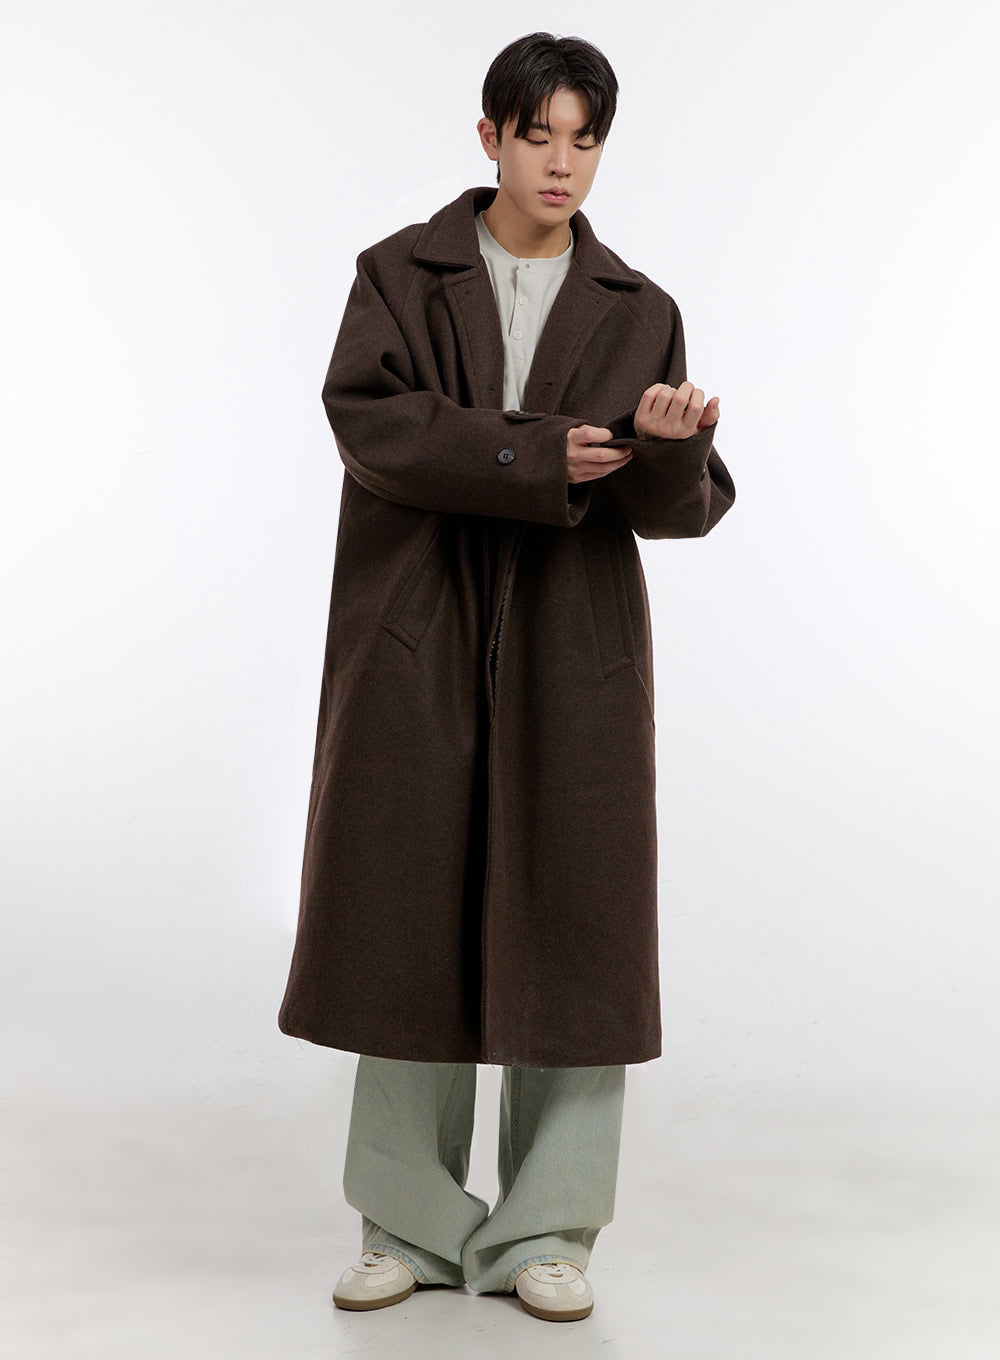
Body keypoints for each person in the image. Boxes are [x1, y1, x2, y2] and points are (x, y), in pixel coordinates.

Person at [278, 31, 736, 1324]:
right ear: (490, 137)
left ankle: (550, 1230)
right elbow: (371, 427)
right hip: (415, 635)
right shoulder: (400, 274)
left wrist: (669, 449)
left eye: (584, 140)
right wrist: (534, 458)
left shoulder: (637, 306)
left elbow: (683, 510)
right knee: (405, 920)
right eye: (538, 135)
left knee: (579, 929)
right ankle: (406, 1225)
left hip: (571, 648)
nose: (561, 163)